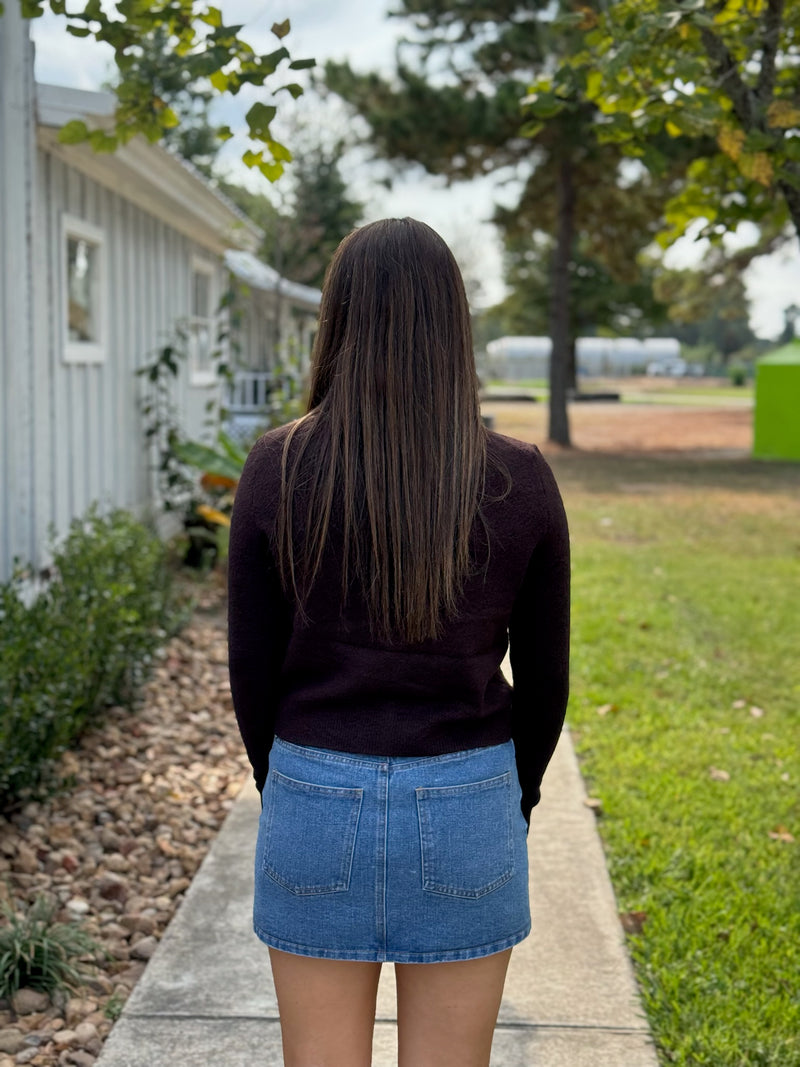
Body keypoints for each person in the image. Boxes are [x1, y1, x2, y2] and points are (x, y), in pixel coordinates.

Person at [227, 217, 570, 1067]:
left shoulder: (276, 467)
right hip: (467, 804)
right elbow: (548, 680)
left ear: (336, 320)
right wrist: (509, 799)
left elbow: (250, 672)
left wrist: (292, 784)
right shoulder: (519, 478)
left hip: (313, 791)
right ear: (454, 327)